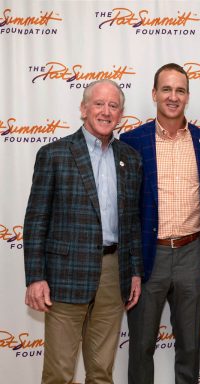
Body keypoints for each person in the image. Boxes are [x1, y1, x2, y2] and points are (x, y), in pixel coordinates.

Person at [23, 79, 143, 384]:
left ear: (121, 113)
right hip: (65, 273)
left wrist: (135, 272)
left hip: (114, 273)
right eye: (99, 104)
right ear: (83, 109)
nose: (106, 111)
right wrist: (36, 277)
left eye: (113, 106)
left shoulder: (130, 158)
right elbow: (36, 220)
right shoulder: (54, 154)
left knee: (101, 372)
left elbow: (131, 224)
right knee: (59, 373)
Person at [120, 63, 200, 384]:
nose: (173, 97)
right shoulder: (132, 141)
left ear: (187, 96)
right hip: (150, 257)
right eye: (167, 89)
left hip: (190, 254)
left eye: (180, 90)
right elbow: (126, 207)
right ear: (154, 94)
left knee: (189, 347)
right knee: (142, 346)